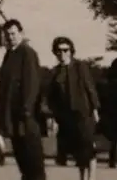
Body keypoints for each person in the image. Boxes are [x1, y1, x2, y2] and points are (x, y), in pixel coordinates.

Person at [0, 19, 45, 180]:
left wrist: (27, 110)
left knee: (33, 163)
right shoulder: (9, 55)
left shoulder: (27, 53)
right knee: (23, 162)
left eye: (13, 34)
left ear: (21, 34)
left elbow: (32, 83)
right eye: (7, 34)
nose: (10, 37)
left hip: (26, 118)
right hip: (14, 117)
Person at [47, 37, 100, 180]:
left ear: (71, 51)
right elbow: (51, 97)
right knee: (79, 151)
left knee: (89, 147)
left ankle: (92, 178)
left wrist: (95, 109)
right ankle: (82, 177)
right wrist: (53, 116)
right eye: (59, 51)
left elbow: (90, 88)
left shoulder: (80, 66)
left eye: (65, 50)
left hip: (84, 114)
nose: (62, 53)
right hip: (67, 117)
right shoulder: (55, 73)